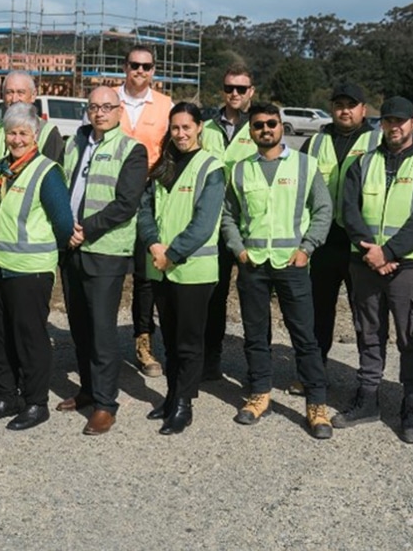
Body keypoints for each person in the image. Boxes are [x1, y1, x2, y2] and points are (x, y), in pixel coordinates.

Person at [336, 96, 413, 444]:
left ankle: (410, 404)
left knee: (409, 338)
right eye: (388, 121)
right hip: (367, 263)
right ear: (380, 123)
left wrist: (390, 251)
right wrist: (372, 250)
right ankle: (368, 397)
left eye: (401, 121)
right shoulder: (363, 162)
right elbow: (348, 209)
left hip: (408, 267)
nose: (394, 127)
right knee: (368, 333)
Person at [219, 103, 335, 438]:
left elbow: (323, 209)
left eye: (271, 124)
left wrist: (307, 248)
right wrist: (238, 250)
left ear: (282, 127)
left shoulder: (304, 165)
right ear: (251, 131)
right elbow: (228, 214)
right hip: (253, 264)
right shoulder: (241, 170)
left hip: (292, 264)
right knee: (256, 336)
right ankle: (259, 394)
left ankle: (316, 404)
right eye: (258, 125)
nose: (265, 129)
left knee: (305, 337)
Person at [0, 103, 74, 431]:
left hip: (28, 268)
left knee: (29, 337)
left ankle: (35, 402)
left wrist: (45, 253)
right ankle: (5, 395)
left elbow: (63, 221)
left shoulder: (46, 171)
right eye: (11, 132)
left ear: (36, 136)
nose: (16, 139)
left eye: (23, 133)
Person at [57, 86, 149, 435]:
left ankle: (106, 404)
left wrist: (85, 230)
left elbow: (126, 204)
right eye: (93, 107)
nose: (99, 113)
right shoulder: (75, 142)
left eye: (107, 107)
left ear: (119, 111)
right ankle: (87, 390)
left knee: (101, 330)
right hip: (72, 248)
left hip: (105, 251)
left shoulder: (132, 149)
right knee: (79, 326)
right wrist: (65, 230)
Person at [138, 103, 226, 434]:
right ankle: (172, 395)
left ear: (200, 127)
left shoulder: (211, 167)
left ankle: (184, 404)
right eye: (175, 128)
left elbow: (204, 222)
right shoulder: (164, 164)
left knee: (189, 342)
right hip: (160, 266)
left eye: (187, 127)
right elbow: (145, 210)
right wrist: (152, 243)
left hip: (192, 270)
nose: (181, 134)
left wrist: (172, 253)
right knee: (171, 340)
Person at [298, 83, 380, 373]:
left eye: (351, 105)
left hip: (361, 242)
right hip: (324, 241)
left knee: (366, 315)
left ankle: (367, 379)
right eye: (339, 105)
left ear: (363, 109)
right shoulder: (316, 142)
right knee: (319, 311)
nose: (344, 110)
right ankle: (314, 372)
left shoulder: (378, 142)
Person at [117, 45, 173, 379]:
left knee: (145, 277)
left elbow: (171, 151)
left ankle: (143, 342)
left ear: (154, 70)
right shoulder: (107, 98)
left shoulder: (164, 105)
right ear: (125, 67)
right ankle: (102, 342)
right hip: (111, 193)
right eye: (135, 65)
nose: (140, 71)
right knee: (108, 271)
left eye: (147, 66)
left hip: (149, 194)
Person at [199, 64, 258, 380]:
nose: (234, 94)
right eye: (229, 88)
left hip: (249, 227)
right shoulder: (206, 128)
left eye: (241, 88)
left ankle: (256, 368)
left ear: (252, 91)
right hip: (212, 225)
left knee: (253, 299)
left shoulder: (261, 127)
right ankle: (211, 359)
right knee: (213, 296)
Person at [0, 71, 66, 165]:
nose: (15, 99)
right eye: (9, 92)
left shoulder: (48, 133)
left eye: (20, 92)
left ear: (33, 96)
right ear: (3, 95)